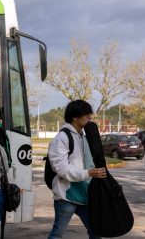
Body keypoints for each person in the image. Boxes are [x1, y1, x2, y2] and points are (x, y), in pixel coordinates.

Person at [47, 100, 107, 239]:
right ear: (75, 117)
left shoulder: (84, 137)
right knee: (57, 234)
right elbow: (60, 168)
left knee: (96, 231)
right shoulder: (62, 138)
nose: (90, 117)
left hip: (85, 193)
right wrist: (88, 173)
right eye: (86, 114)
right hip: (66, 196)